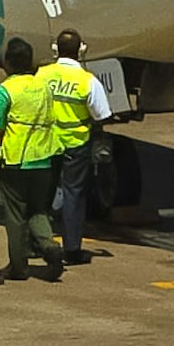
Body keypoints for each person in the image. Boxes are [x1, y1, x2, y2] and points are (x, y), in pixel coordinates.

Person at [0, 35, 62, 283]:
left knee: (15, 215)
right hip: (43, 160)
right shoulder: (43, 87)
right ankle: (49, 246)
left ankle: (18, 267)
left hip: (15, 160)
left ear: (7, 63)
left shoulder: (4, 91)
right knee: (38, 210)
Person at [39, 26, 112, 263]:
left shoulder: (42, 75)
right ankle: (71, 248)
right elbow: (102, 115)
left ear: (55, 49)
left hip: (46, 143)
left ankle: (38, 242)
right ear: (81, 50)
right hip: (75, 145)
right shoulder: (87, 81)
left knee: (42, 194)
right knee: (73, 195)